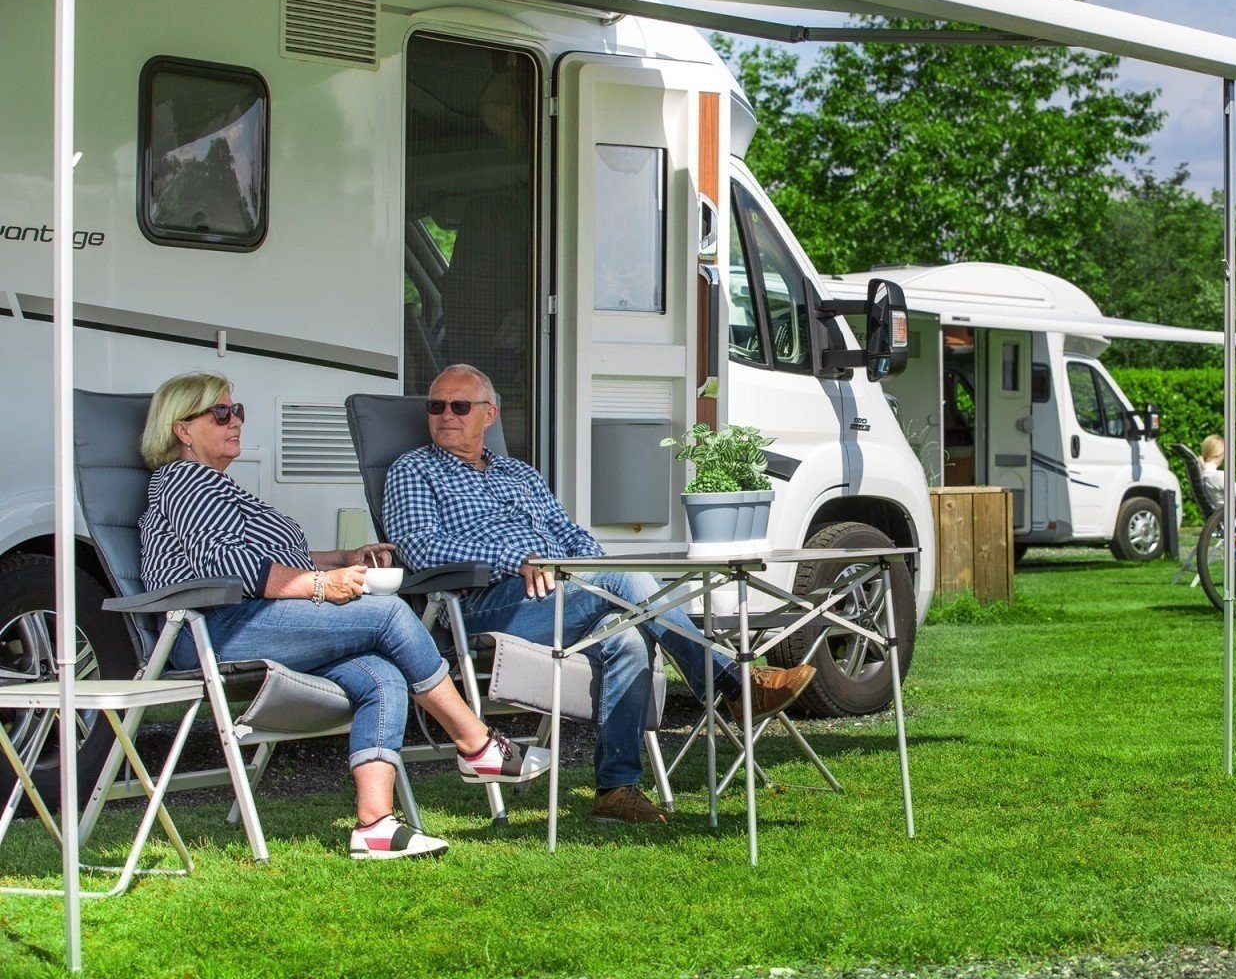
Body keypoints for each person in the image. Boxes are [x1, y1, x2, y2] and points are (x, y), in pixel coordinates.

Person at [384, 364, 816, 826]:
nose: (446, 415)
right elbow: (421, 546)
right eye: (436, 405)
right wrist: (521, 560)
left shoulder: (519, 473)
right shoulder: (414, 470)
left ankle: (615, 789)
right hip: (484, 605)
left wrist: (587, 567)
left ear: (489, 414)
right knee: (621, 580)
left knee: (628, 637)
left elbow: (569, 533)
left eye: (460, 406)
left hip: (566, 594)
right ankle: (732, 683)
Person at [138, 372, 547, 861]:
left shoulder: (217, 486)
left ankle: (374, 825)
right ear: (182, 430)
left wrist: (339, 558)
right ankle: (476, 743)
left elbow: (266, 556)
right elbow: (226, 566)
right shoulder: (186, 480)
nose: (236, 421)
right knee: (388, 615)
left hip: (257, 619)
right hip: (213, 627)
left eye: (238, 410)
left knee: (382, 674)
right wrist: (318, 586)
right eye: (220, 413)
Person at [1197, 434, 1236, 512]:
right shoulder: (1217, 476)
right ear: (1219, 454)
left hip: (1221, 516)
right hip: (1232, 517)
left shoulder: (1203, 474)